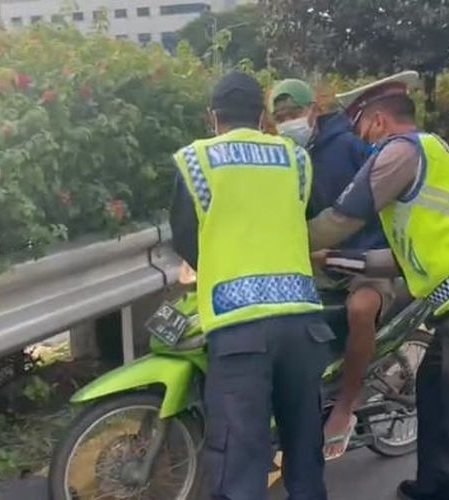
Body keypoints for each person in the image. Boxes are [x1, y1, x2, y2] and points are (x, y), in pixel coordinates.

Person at [308, 72, 449, 500]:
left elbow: (339, 220)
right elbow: (401, 260)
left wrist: (282, 241)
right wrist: (335, 260)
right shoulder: (429, 154)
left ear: (376, 121)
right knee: (433, 391)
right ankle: (438, 485)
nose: (360, 140)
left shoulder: (399, 152)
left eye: (359, 127)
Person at [169, 71, 333, 500]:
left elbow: (185, 236)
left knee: (240, 458)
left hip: (239, 327)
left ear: (212, 117)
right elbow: (308, 219)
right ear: (262, 116)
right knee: (303, 450)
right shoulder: (295, 158)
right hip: (302, 324)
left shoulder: (196, 160)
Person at [269, 79, 395, 459]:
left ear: (314, 109)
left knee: (359, 311)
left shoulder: (350, 147)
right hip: (315, 263)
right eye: (280, 117)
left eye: (294, 114)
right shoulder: (281, 156)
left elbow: (371, 206)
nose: (289, 122)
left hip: (368, 258)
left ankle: (345, 408)